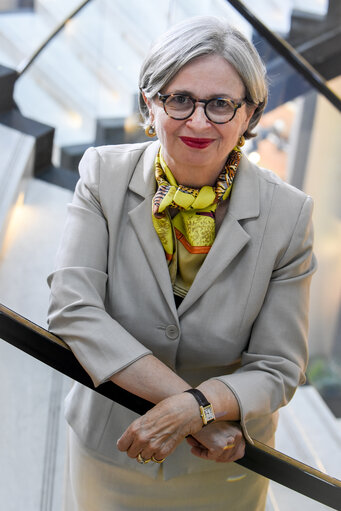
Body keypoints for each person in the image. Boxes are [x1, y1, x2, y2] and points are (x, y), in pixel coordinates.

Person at [47, 15, 316, 511]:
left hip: (225, 465)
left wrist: (201, 410)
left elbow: (279, 366)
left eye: (219, 104)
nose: (197, 121)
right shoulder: (102, 174)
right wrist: (193, 409)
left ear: (250, 115)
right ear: (149, 105)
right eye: (179, 99)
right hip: (116, 443)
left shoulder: (289, 213)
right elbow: (73, 308)